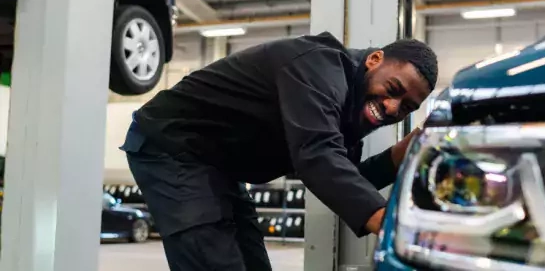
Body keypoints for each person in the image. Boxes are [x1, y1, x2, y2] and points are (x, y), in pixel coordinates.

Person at [120, 31, 438, 271]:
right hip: (172, 146)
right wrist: (397, 230)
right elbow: (318, 157)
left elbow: (348, 180)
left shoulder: (348, 110)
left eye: (407, 107)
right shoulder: (318, 67)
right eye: (393, 90)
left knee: (252, 260)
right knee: (213, 257)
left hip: (218, 165)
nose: (392, 107)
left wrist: (404, 152)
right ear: (374, 60)